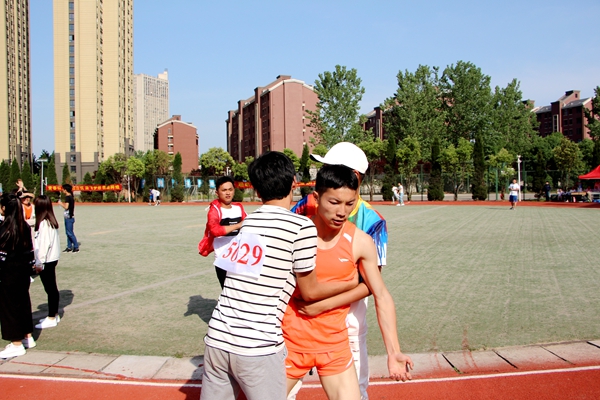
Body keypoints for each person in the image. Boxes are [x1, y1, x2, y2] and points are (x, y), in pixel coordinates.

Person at [200, 151, 357, 400]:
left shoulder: (247, 223)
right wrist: (351, 282)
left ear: (256, 189)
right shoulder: (301, 226)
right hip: (258, 345)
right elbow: (310, 291)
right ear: (294, 182)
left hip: (217, 338)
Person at [283, 165, 413, 400]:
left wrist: (394, 351)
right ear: (316, 198)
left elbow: (381, 295)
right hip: (290, 343)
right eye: (334, 202)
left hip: (334, 345)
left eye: (349, 203)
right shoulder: (295, 235)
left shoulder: (360, 242)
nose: (342, 211)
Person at [291, 142, 389, 400]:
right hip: (298, 321)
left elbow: (371, 283)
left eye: (331, 167)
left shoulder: (373, 221)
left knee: (356, 391)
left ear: (354, 176)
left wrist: (322, 304)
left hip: (347, 322)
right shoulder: (307, 205)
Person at [0, 193, 36, 358]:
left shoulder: (4, 229)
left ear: (5, 208)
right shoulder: (25, 227)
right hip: (23, 272)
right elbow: (30, 252)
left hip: (8, 273)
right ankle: (27, 335)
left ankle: (16, 343)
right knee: (23, 302)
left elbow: (2, 256)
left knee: (10, 308)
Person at [199, 176, 247, 289]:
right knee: (228, 293)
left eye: (230, 189)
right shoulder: (214, 210)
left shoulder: (239, 208)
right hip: (223, 260)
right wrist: (238, 225)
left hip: (239, 259)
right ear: (217, 192)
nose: (228, 193)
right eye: (224, 190)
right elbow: (215, 230)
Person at [33, 195, 61, 329]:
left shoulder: (44, 224)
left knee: (50, 289)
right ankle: (54, 314)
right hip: (52, 259)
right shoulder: (50, 221)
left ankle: (51, 316)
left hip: (47, 261)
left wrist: (39, 263)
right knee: (51, 288)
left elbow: (44, 246)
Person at [58, 184, 79, 253]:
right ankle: (69, 246)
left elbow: (66, 207)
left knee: (70, 233)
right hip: (68, 217)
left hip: (69, 217)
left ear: (65, 190)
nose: (62, 190)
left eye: (63, 189)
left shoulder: (68, 197)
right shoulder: (70, 196)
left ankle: (76, 246)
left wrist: (60, 203)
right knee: (68, 232)